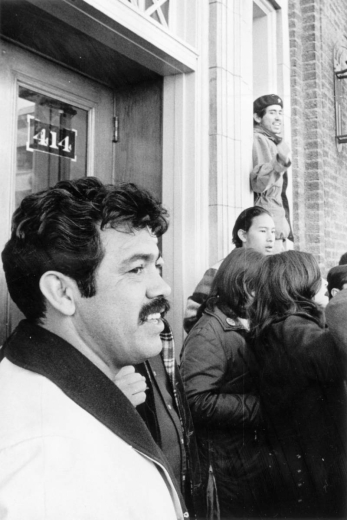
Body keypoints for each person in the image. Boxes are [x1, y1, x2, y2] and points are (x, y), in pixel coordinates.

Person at [0, 177, 188, 519]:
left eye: (156, 267)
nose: (163, 287)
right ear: (62, 292)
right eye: (136, 268)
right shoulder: (49, 460)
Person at [247, 250, 347, 518]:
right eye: (317, 279)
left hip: (298, 462)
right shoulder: (292, 329)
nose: (324, 286)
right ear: (300, 283)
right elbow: (340, 357)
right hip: (311, 467)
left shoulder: (277, 326)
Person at [180, 248, 265, 519]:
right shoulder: (208, 331)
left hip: (241, 459)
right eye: (261, 286)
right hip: (223, 463)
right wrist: (260, 407)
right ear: (243, 284)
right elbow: (196, 401)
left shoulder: (241, 322)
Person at [183, 206, 275, 333]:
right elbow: (191, 318)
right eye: (263, 231)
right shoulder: (218, 271)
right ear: (243, 235)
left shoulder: (273, 272)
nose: (271, 238)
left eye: (273, 231)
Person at [251, 93, 293, 250]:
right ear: (257, 117)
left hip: (277, 232)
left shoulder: (273, 142)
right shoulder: (260, 139)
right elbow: (259, 183)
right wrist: (280, 161)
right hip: (268, 236)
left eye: (280, 113)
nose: (278, 118)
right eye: (272, 112)